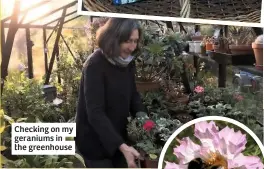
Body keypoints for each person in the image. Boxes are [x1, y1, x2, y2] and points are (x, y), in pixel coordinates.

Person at [75, 18, 145, 168]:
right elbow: (95, 112)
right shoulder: (95, 64)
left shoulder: (127, 62)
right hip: (95, 143)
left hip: (118, 138)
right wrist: (121, 145)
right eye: (128, 41)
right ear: (113, 39)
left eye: (135, 41)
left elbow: (133, 95)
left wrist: (144, 120)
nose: (132, 47)